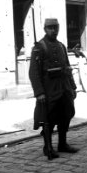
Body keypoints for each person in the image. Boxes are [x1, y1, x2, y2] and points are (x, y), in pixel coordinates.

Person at [29, 18, 78, 160]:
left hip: (64, 88)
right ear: (45, 29)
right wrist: (39, 92)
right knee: (48, 118)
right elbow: (33, 72)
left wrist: (73, 87)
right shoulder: (39, 47)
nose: (53, 30)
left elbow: (68, 68)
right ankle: (48, 147)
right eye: (50, 28)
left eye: (55, 27)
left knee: (66, 114)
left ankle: (62, 144)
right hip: (49, 89)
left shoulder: (62, 46)